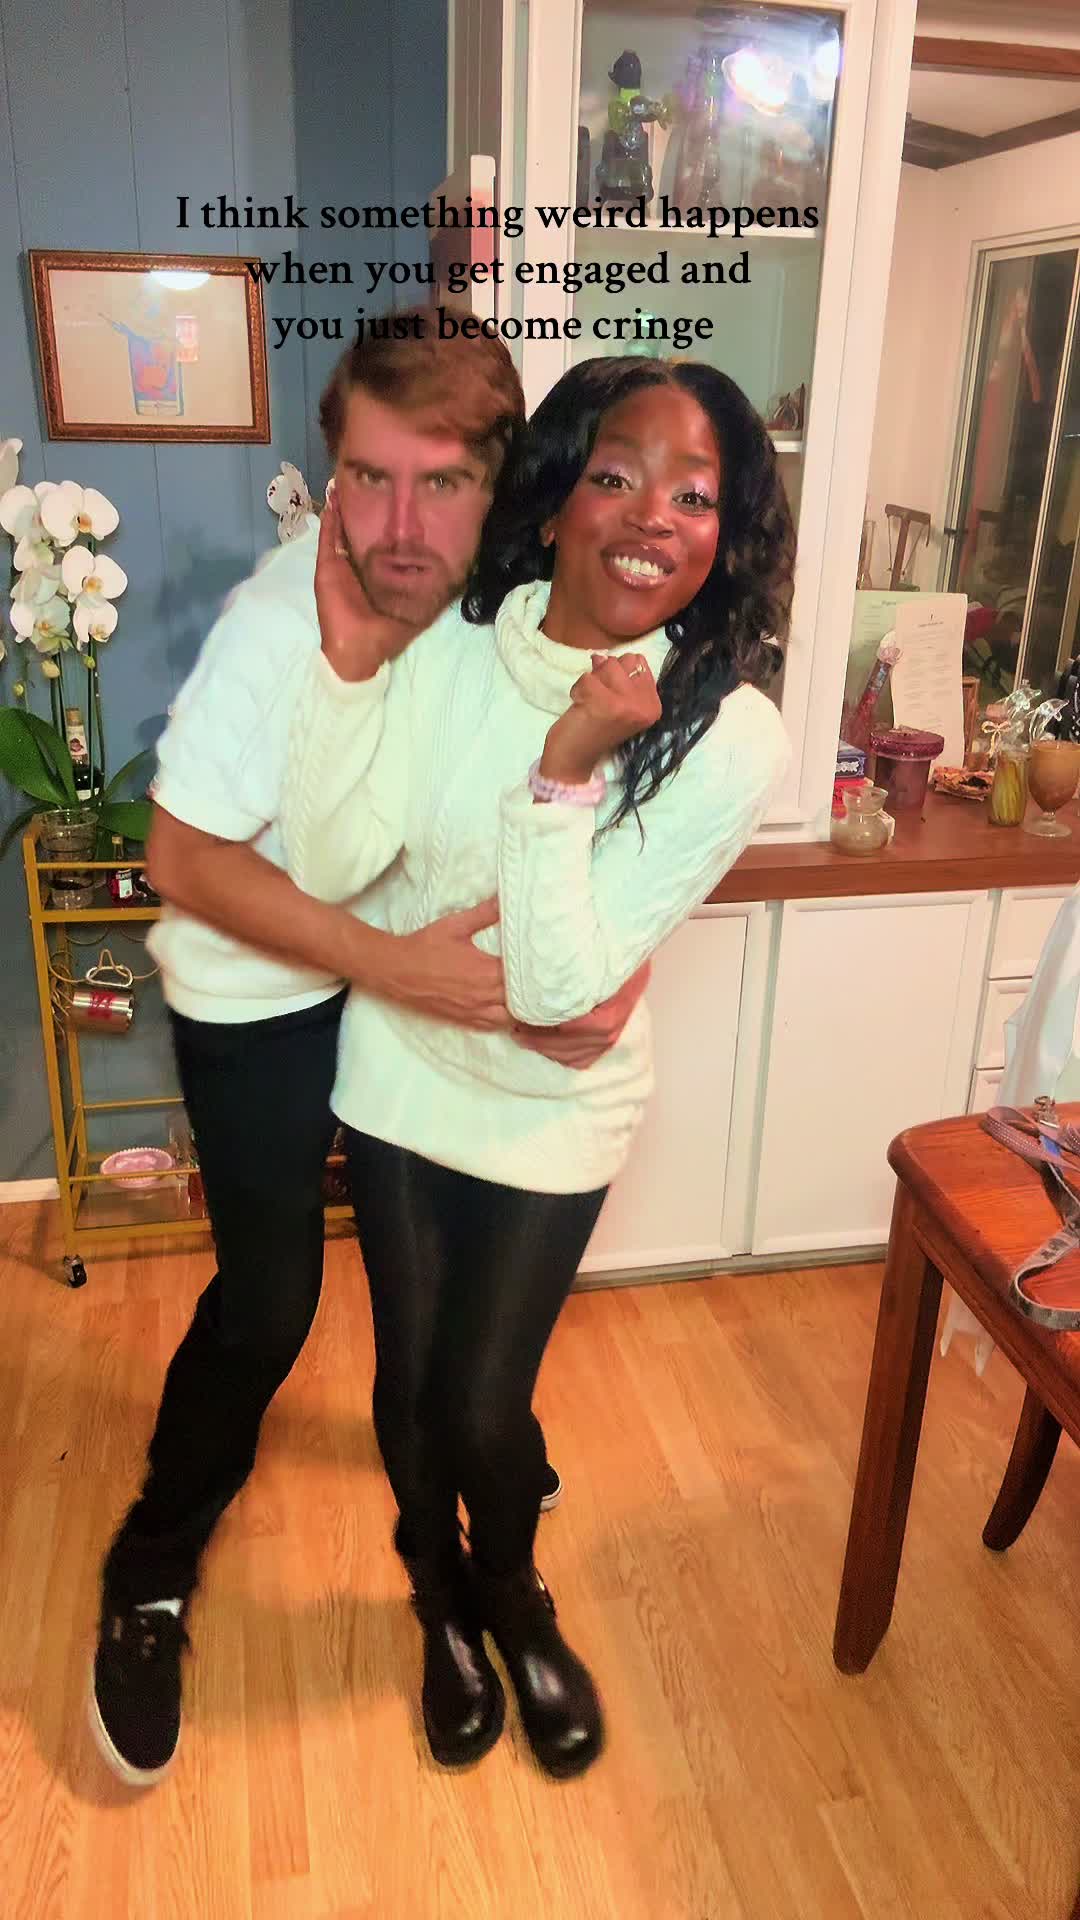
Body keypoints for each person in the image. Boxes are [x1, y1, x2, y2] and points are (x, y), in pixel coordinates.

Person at [90, 316, 648, 1789]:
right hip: (259, 1000)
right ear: (329, 474)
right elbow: (182, 862)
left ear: (500, 482)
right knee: (274, 1302)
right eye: (368, 478)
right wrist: (395, 964)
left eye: (441, 481)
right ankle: (150, 1569)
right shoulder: (279, 626)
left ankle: (478, 1457)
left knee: (456, 1288)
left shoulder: (501, 593)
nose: (400, 526)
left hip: (405, 971)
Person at [283, 354, 794, 1778]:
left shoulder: (726, 728)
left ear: (726, 533)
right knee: (410, 1382)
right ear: (560, 493)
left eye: (696, 498)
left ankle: (511, 1592)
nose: (653, 519)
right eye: (617, 475)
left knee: (482, 1402)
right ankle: (438, 1597)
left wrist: (566, 766)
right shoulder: (445, 643)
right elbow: (340, 864)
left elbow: (564, 991)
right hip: (402, 1068)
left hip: (555, 1109)